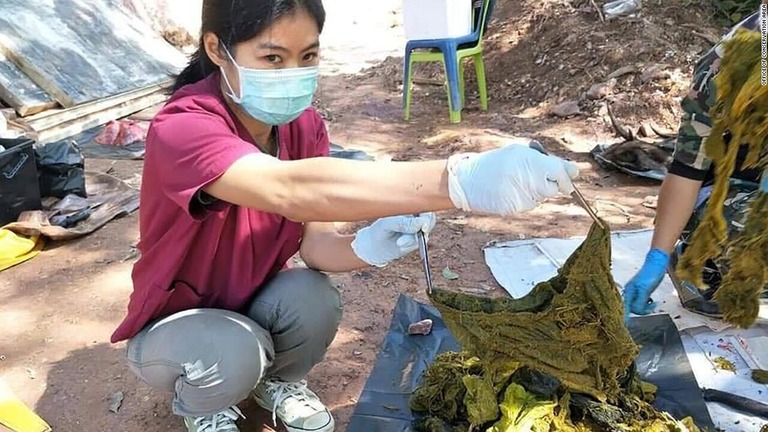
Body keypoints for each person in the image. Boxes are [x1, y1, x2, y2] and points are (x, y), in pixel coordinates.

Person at [109, 1, 579, 431]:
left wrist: (367, 246)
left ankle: (279, 382)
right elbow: (290, 189)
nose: (293, 72)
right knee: (232, 351)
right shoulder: (185, 126)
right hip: (179, 321)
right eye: (273, 58)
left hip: (250, 300)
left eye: (308, 56)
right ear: (217, 48)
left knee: (313, 297)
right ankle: (206, 405)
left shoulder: (305, 126)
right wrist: (459, 181)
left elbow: (315, 245)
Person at [622, 11, 767, 320]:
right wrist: (656, 258)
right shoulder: (725, 69)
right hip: (734, 194)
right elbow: (688, 170)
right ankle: (701, 264)